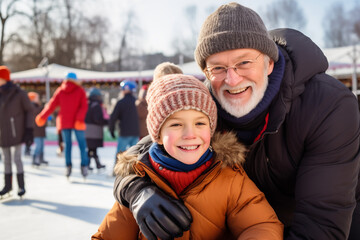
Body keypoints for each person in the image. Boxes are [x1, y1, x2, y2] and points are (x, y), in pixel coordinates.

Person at [112, 3, 360, 240]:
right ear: (206, 73)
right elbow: (141, 153)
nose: (231, 79)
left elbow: (321, 222)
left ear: (269, 63)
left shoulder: (328, 105)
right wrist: (135, 190)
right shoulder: (205, 103)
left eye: (244, 63)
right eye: (218, 68)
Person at [92, 74, 283, 240]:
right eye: (176, 125)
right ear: (157, 134)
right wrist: (136, 199)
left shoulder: (230, 178)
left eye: (200, 123)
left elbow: (261, 225)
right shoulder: (140, 181)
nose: (190, 134)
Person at [35, 72, 89, 178]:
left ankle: (68, 167)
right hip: (78, 123)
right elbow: (84, 106)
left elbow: (51, 105)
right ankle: (84, 166)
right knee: (82, 145)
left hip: (65, 122)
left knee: (67, 146)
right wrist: (79, 118)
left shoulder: (60, 91)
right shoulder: (80, 90)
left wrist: (42, 116)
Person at [0, 66, 34, 198]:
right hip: (2, 132)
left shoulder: (18, 92)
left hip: (17, 131)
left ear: (4, 78)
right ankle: (7, 186)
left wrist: (29, 129)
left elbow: (29, 111)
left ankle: (21, 186)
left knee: (16, 158)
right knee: (6, 159)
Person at [109, 80, 139, 173]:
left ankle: (116, 172)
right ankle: (134, 172)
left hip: (124, 133)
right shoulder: (137, 102)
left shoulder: (121, 102)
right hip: (135, 132)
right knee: (134, 154)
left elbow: (113, 117)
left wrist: (112, 130)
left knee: (120, 154)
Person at [85, 87, 108, 170]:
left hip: (87, 130)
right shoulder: (96, 105)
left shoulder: (87, 104)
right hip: (94, 131)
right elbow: (97, 119)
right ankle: (87, 164)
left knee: (92, 148)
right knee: (92, 149)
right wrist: (107, 121)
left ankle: (93, 164)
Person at [28, 92, 48, 166]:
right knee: (38, 145)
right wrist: (45, 107)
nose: (38, 99)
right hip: (36, 130)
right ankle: (35, 159)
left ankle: (41, 159)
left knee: (42, 146)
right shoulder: (31, 106)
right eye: (37, 97)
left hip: (41, 129)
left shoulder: (37, 106)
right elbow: (37, 111)